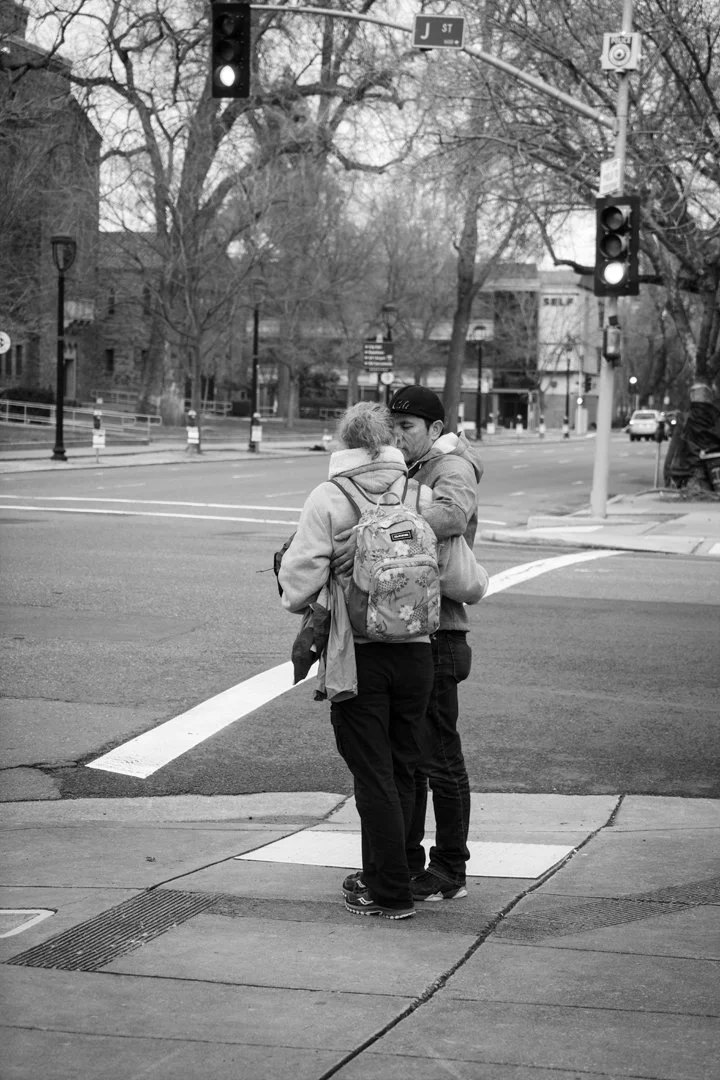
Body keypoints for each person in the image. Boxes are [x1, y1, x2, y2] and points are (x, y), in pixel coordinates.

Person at [278, 402, 435, 920]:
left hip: (357, 655)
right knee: (405, 768)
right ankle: (399, 871)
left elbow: (298, 585)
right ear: (390, 440)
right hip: (418, 651)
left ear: (343, 442)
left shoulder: (329, 497)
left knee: (372, 775)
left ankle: (389, 892)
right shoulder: (418, 494)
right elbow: (456, 576)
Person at [390, 384, 484, 902]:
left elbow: (452, 516)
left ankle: (450, 869)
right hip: (411, 630)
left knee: (440, 758)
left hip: (442, 631)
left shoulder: (451, 467)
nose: (397, 435)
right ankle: (410, 863)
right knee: (411, 757)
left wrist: (383, 524)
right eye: (393, 426)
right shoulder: (407, 467)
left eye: (406, 427)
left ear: (435, 429)